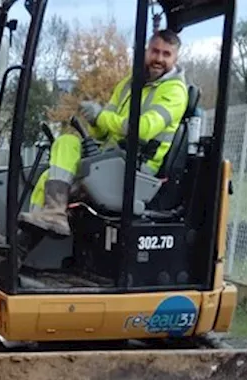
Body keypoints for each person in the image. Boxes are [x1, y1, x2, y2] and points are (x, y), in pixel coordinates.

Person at [21, 30, 189, 237]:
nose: (159, 59)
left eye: (166, 54)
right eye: (155, 51)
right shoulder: (129, 83)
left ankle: (27, 241)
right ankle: (46, 221)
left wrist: (100, 117)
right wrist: (94, 121)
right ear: (147, 51)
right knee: (62, 152)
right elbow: (103, 130)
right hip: (112, 157)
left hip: (137, 167)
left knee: (65, 174)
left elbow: (142, 130)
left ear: (175, 58)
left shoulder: (174, 91)